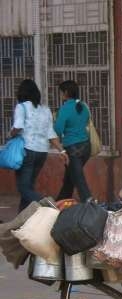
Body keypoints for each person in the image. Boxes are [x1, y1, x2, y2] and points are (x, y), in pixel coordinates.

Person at [9, 79, 68, 211]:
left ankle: (46, 203)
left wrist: (11, 133)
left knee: (23, 188)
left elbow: (18, 126)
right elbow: (51, 133)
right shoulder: (45, 110)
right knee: (29, 186)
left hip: (27, 151)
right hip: (41, 152)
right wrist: (62, 151)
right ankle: (21, 219)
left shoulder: (21, 107)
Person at [54, 80, 93, 202]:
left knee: (79, 180)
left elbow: (58, 130)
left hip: (73, 148)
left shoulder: (65, 109)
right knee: (69, 179)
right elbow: (86, 122)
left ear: (65, 93)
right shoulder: (83, 106)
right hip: (86, 146)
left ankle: (91, 207)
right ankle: (60, 203)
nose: (60, 95)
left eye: (61, 93)